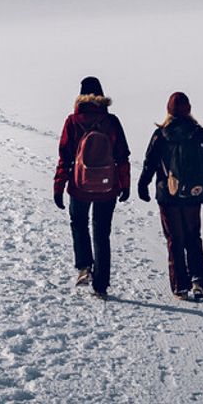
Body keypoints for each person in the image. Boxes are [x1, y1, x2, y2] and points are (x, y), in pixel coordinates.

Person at [54, 76, 130, 298]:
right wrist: (125, 184)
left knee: (79, 223)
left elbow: (65, 157)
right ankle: (101, 285)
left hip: (80, 186)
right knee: (102, 232)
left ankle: (85, 266)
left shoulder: (73, 121)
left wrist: (59, 186)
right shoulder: (111, 122)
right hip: (108, 186)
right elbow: (122, 156)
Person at [137, 91, 203, 300]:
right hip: (193, 194)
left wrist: (143, 184)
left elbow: (150, 162)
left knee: (174, 240)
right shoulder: (199, 133)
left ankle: (180, 287)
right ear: (189, 109)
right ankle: (198, 281)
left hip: (168, 194)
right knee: (193, 237)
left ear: (168, 110)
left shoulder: (161, 134)